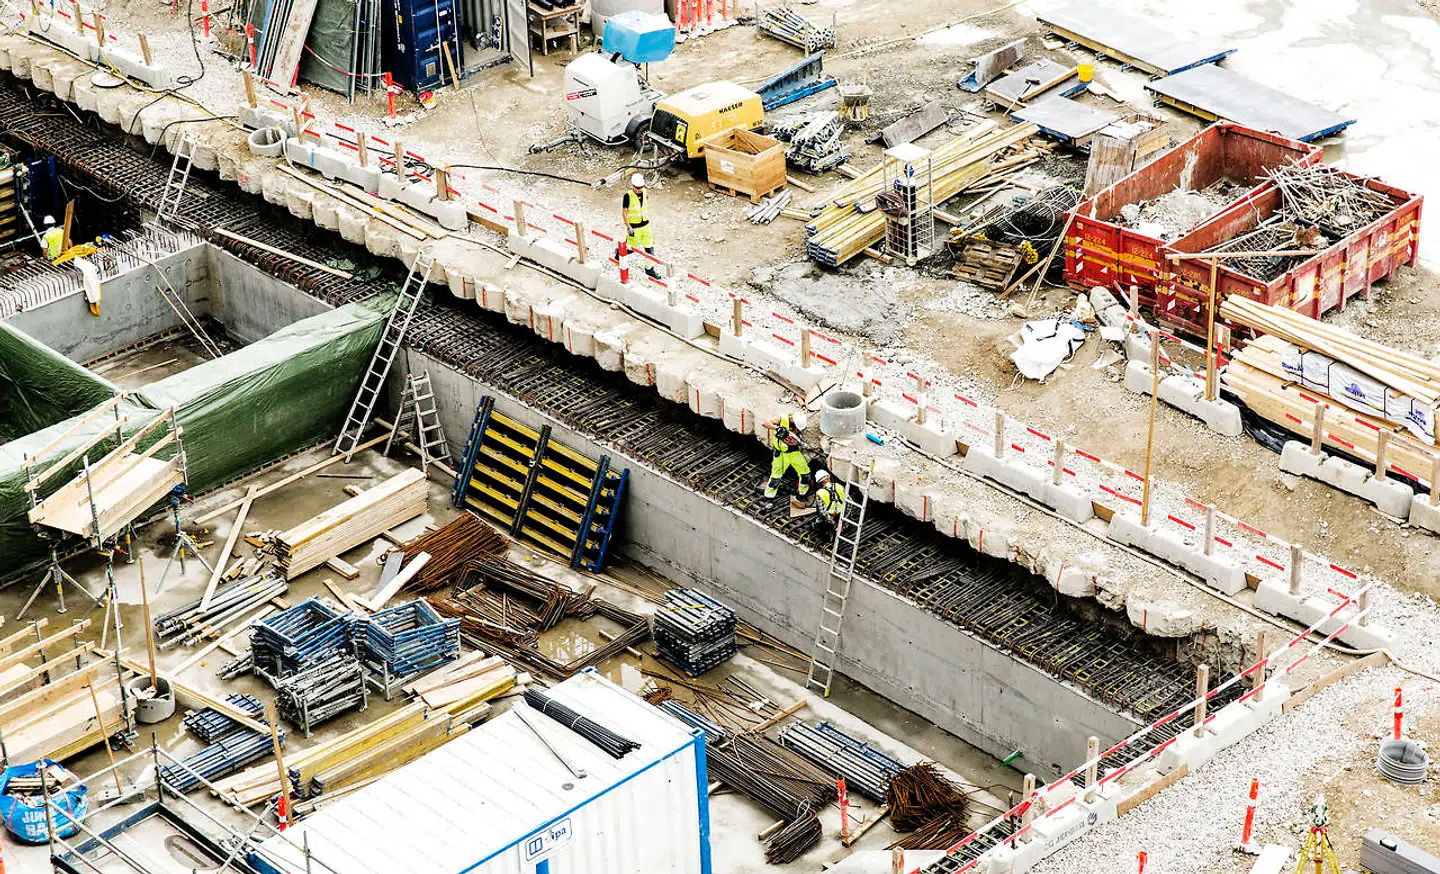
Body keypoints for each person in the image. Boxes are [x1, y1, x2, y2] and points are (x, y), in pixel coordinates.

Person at [762, 410, 810, 501]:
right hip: (781, 454)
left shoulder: (799, 423)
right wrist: (777, 428)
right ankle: (768, 498)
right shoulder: (782, 419)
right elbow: (765, 423)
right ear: (793, 419)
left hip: (794, 452)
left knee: (805, 474)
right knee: (776, 477)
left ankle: (801, 495)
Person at [620, 173, 660, 280]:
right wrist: (628, 227)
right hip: (635, 228)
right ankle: (619, 253)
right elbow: (624, 212)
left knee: (649, 248)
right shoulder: (627, 196)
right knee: (631, 249)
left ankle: (649, 269)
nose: (639, 189)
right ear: (632, 186)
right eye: (637, 188)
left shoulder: (645, 192)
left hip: (646, 226)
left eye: (641, 187)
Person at [811, 468, 846, 533]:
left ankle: (821, 529)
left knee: (818, 524)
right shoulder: (839, 486)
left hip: (830, 517)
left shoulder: (820, 493)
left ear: (820, 482)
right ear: (828, 478)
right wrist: (845, 517)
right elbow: (849, 503)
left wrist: (833, 524)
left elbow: (823, 513)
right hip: (840, 514)